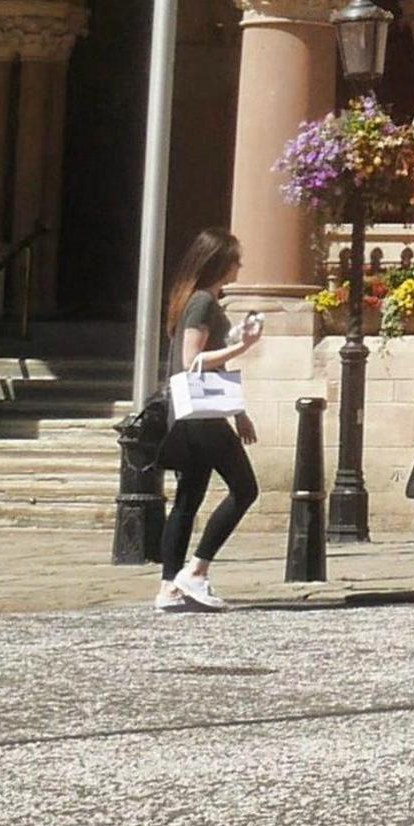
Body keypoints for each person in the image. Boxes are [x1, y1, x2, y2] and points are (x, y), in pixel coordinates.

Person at [154, 231, 265, 612]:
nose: (240, 266)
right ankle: (196, 571)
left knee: (188, 499)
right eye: (235, 259)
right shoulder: (202, 301)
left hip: (191, 414)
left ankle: (169, 587)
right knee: (245, 489)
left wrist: (240, 412)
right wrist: (244, 346)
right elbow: (193, 361)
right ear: (219, 263)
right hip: (201, 416)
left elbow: (210, 362)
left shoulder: (199, 301)